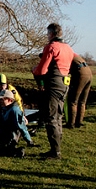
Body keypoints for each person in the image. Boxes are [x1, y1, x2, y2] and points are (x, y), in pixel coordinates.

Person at [32, 23, 74, 160]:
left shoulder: (51, 47)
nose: (47, 36)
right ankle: (56, 149)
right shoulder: (68, 48)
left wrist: (35, 71)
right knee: (58, 116)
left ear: (51, 33)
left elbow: (41, 70)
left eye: (47, 33)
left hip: (53, 85)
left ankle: (55, 152)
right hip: (64, 84)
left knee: (51, 118)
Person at [0, 90, 35, 157]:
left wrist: (29, 141)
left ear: (9, 100)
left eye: (2, 99)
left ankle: (16, 152)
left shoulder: (14, 110)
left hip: (9, 138)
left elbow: (22, 127)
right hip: (1, 134)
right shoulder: (4, 108)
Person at [65, 54, 93, 129]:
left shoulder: (65, 55)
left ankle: (71, 124)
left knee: (73, 101)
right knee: (82, 101)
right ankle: (79, 122)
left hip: (80, 74)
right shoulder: (74, 55)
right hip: (89, 73)